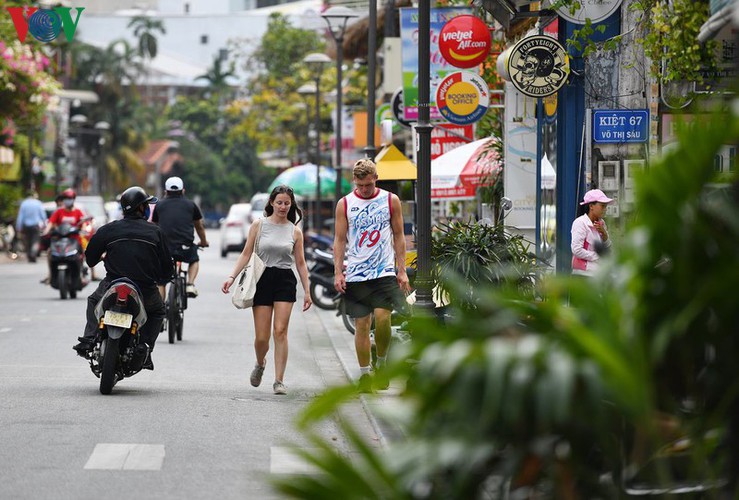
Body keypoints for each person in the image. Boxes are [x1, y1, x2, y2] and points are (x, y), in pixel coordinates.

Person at [221, 185, 312, 395]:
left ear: (292, 205)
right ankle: (260, 363)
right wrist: (231, 277)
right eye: (279, 202)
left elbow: (301, 263)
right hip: (261, 278)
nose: (282, 207)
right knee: (262, 338)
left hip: (285, 280)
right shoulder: (259, 225)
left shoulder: (295, 231)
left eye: (287, 203)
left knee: (280, 331)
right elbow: (245, 254)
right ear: (271, 202)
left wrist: (307, 291)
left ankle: (279, 381)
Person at [73, 187, 173, 370]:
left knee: (94, 300)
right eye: (146, 205)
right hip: (144, 288)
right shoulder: (155, 232)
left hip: (112, 283)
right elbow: (167, 265)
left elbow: (90, 258)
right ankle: (145, 346)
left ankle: (88, 339)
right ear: (141, 208)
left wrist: (102, 257)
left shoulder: (108, 229)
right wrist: (165, 276)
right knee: (158, 311)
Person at [333, 159, 411, 392]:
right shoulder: (345, 204)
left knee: (384, 318)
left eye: (367, 185)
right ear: (354, 182)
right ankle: (365, 375)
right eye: (359, 185)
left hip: (384, 270)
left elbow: (399, 236)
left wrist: (402, 270)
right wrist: (338, 271)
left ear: (376, 178)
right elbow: (339, 239)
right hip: (356, 272)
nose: (364, 190)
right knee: (362, 324)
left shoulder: (390, 200)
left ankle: (382, 363)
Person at [152, 176, 209, 298]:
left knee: (161, 281)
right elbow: (199, 226)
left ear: (166, 191)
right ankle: (190, 284)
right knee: (194, 259)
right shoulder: (191, 205)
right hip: (185, 248)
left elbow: (154, 227)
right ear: (183, 190)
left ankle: (160, 312)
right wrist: (203, 241)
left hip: (165, 249)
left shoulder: (159, 205)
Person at [41, 189, 86, 284]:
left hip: (74, 240)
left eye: (70, 198)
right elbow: (50, 223)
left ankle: (81, 275)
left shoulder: (78, 212)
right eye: (66, 198)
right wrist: (46, 232)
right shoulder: (59, 212)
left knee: (82, 253)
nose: (67, 200)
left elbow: (84, 223)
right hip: (59, 240)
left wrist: (84, 229)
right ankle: (50, 275)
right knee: (50, 252)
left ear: (73, 199)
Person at [571, 188, 613, 276]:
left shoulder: (602, 224)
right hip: (583, 275)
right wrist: (598, 257)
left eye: (605, 206)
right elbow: (576, 250)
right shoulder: (581, 223)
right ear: (591, 206)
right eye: (602, 206)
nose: (605, 209)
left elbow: (608, 251)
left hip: (599, 275)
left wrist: (605, 235)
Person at [15, 190, 47, 262]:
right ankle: (33, 254)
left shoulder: (24, 204)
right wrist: (45, 224)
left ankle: (30, 255)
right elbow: (43, 215)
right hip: (35, 225)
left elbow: (20, 217)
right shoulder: (38, 203)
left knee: (27, 241)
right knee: (35, 241)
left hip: (26, 226)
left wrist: (18, 227)